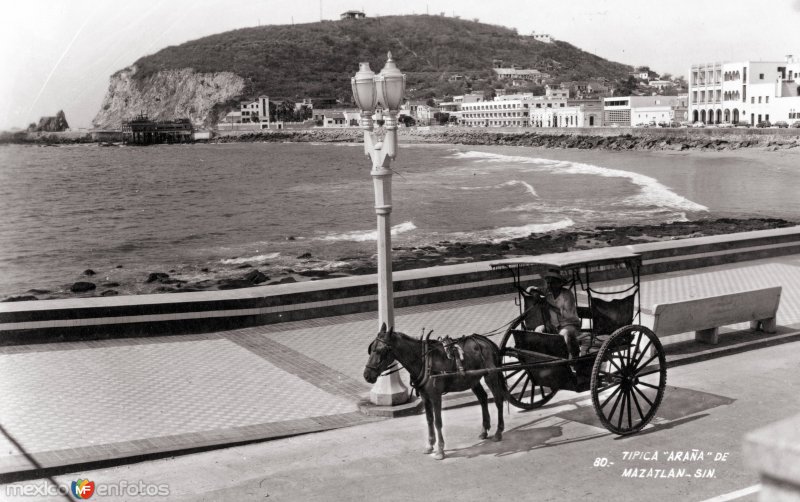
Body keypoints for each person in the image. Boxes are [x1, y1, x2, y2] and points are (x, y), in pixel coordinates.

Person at [531, 268, 581, 359]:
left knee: (563, 334)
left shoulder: (567, 294)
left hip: (569, 324)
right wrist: (534, 292)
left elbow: (568, 315)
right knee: (539, 330)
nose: (549, 285)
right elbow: (530, 289)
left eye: (552, 282)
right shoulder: (547, 293)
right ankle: (543, 357)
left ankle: (565, 359)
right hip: (553, 326)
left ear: (559, 283)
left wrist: (549, 306)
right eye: (548, 282)